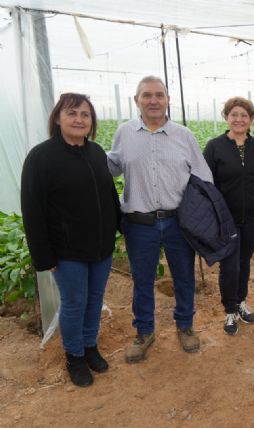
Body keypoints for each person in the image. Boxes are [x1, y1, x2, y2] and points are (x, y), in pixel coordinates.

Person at [107, 76, 213, 363]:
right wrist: (83, 153)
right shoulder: (124, 133)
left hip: (178, 221)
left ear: (168, 100)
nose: (153, 100)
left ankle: (185, 325)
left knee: (184, 277)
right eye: (147, 95)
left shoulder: (184, 136)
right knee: (142, 280)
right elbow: (113, 166)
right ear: (136, 100)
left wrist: (200, 214)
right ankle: (144, 332)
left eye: (159, 95)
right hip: (139, 223)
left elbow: (203, 176)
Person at [21, 93, 120, 387]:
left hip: (100, 246)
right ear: (57, 119)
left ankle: (90, 347)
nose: (79, 119)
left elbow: (109, 194)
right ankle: (74, 356)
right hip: (67, 250)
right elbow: (32, 209)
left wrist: (117, 228)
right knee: (75, 303)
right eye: (72, 113)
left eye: (85, 114)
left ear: (92, 121)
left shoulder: (96, 152)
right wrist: (44, 255)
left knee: (95, 299)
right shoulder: (41, 157)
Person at [203, 97, 254, 336]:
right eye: (234, 114)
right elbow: (207, 183)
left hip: (252, 216)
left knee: (244, 261)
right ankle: (229, 309)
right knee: (229, 264)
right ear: (227, 117)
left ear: (251, 120)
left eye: (244, 115)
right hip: (225, 218)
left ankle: (241, 301)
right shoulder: (214, 147)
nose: (239, 119)